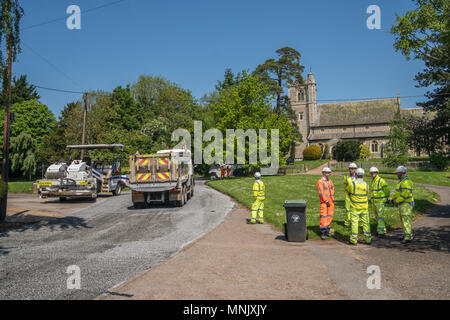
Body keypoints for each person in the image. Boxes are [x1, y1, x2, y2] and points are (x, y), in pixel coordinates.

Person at [346, 168, 371, 245]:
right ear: (363, 175)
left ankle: (353, 240)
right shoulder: (366, 185)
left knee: (354, 223)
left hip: (355, 207)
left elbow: (348, 192)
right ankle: (368, 239)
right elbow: (367, 193)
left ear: (356, 175)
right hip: (364, 207)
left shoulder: (352, 184)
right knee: (366, 223)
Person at [390, 166, 414, 244]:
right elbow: (398, 193)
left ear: (401, 173)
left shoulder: (406, 182)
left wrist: (397, 200)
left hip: (406, 204)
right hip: (403, 204)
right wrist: (391, 199)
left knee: (406, 221)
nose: (396, 174)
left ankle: (408, 237)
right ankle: (406, 235)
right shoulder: (402, 181)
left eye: (397, 173)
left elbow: (405, 194)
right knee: (403, 221)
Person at [369, 167, 390, 238]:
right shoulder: (373, 181)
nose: (372, 174)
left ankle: (381, 232)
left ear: (377, 173)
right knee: (377, 217)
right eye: (371, 173)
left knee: (380, 217)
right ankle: (381, 230)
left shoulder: (381, 180)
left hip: (380, 202)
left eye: (373, 173)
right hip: (374, 202)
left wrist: (386, 197)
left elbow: (387, 190)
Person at [317, 167, 335, 240]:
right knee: (323, 216)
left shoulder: (329, 181)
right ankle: (323, 232)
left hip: (330, 201)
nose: (328, 174)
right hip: (324, 202)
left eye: (329, 173)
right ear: (323, 173)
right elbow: (321, 193)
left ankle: (327, 230)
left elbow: (332, 187)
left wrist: (332, 198)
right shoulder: (320, 181)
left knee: (329, 216)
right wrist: (326, 201)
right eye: (327, 173)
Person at [344, 163, 358, 230]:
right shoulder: (346, 177)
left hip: (355, 196)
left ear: (355, 169)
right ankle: (347, 223)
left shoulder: (358, 177)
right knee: (348, 210)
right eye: (350, 168)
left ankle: (356, 223)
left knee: (356, 210)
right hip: (348, 196)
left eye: (352, 168)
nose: (350, 170)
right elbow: (345, 186)